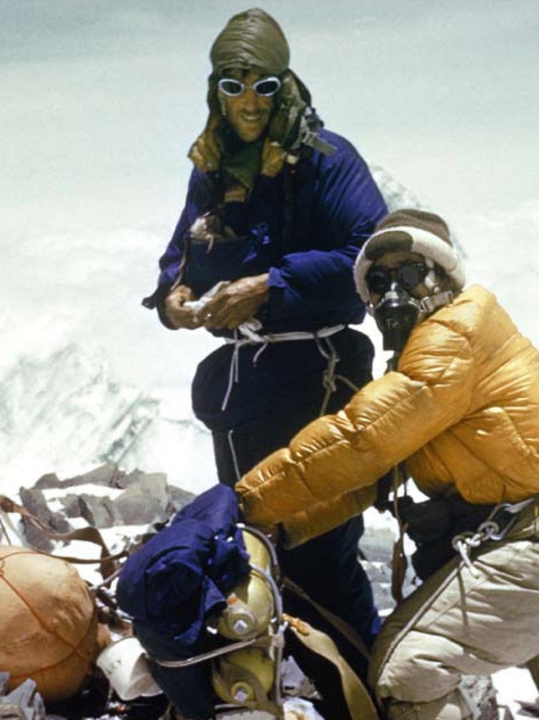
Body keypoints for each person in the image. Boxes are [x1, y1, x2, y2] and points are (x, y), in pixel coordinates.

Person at [236, 209, 539, 720]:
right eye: (379, 279)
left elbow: (360, 441)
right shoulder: (435, 360)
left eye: (412, 273)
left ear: (445, 278)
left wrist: (244, 502)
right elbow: (369, 480)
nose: (395, 291)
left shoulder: (453, 335)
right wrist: (283, 526)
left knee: (406, 670)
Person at [139, 7, 387, 710]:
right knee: (259, 548)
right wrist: (174, 298)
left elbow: (370, 258)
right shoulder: (212, 166)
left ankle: (368, 697)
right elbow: (177, 256)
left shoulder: (328, 161)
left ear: (288, 87)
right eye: (233, 85)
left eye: (264, 86)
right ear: (215, 90)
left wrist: (269, 286)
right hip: (246, 398)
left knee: (323, 553)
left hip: (315, 384)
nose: (248, 101)